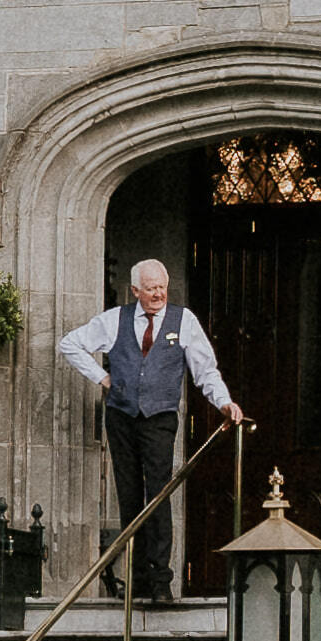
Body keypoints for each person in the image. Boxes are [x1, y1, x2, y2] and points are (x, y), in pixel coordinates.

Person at [73, 252, 237, 593]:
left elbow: (204, 370)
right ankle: (137, 581)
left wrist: (223, 401)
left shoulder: (184, 320)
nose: (158, 294)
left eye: (162, 287)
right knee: (129, 494)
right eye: (150, 289)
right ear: (135, 291)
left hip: (159, 417)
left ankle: (160, 578)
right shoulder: (114, 320)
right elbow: (70, 345)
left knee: (159, 491)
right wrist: (102, 377)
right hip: (121, 416)